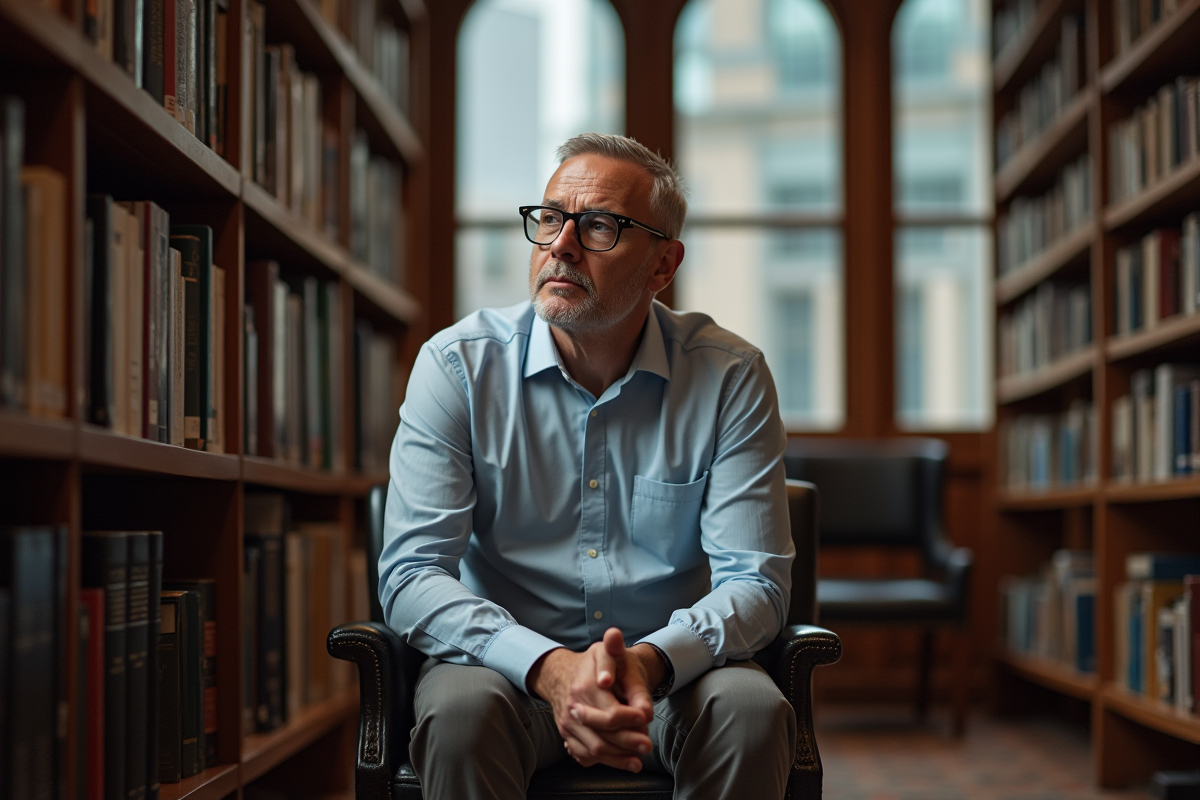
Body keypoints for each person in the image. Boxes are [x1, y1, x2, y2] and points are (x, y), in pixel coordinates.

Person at [379, 133, 797, 800]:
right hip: (504, 673)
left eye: (599, 225)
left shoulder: (729, 376)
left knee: (751, 712)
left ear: (663, 266)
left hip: (670, 680)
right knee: (458, 715)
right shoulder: (457, 366)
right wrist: (545, 666)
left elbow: (757, 583)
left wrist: (648, 662)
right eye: (550, 218)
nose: (560, 246)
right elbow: (410, 574)